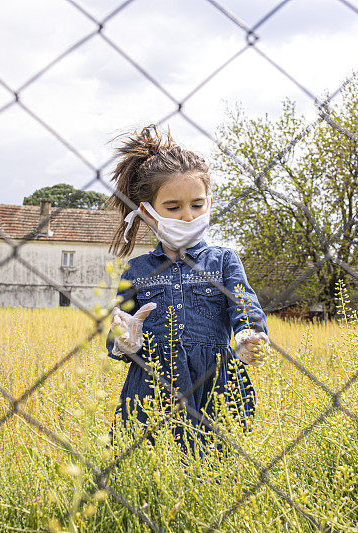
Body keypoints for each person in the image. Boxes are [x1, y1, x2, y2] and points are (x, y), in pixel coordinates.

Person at [104, 125, 268, 454]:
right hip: (151, 386)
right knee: (147, 465)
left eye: (197, 204)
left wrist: (248, 335)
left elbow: (244, 306)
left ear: (209, 202)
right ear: (148, 212)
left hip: (217, 383)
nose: (188, 216)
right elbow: (118, 327)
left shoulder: (223, 260)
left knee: (218, 464)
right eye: (174, 207)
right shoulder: (136, 270)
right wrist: (124, 342)